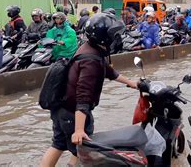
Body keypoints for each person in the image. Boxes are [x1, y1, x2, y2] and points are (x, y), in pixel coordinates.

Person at [40, 13, 138, 167]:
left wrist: (131, 83)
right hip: (72, 113)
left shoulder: (89, 48)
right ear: (103, 37)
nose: (116, 38)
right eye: (114, 35)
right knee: (82, 151)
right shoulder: (91, 60)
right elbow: (83, 95)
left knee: (58, 145)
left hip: (61, 108)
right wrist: (79, 129)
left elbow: (110, 72)